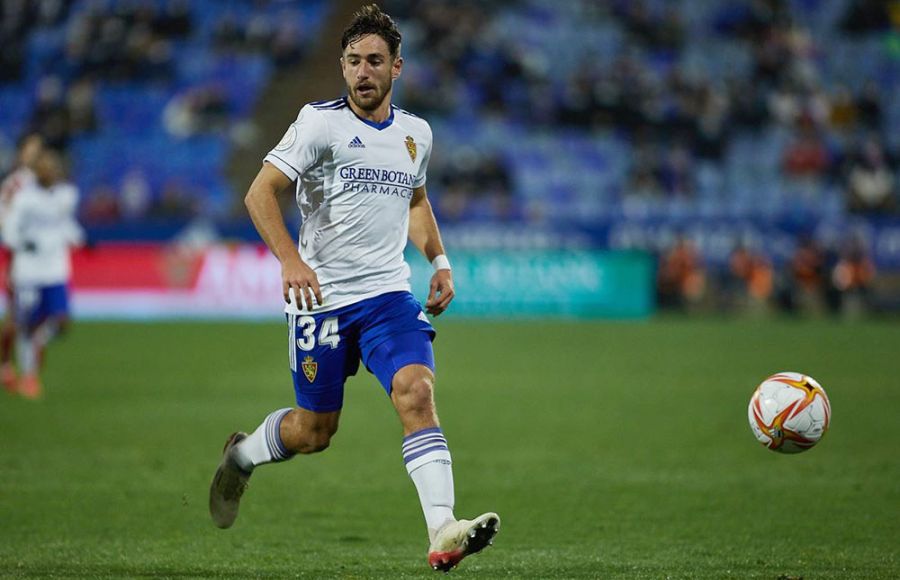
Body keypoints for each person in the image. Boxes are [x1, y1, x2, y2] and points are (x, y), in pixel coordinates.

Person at [208, 4, 499, 573]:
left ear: (397, 68)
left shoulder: (417, 135)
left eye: (374, 61)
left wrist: (438, 260)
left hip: (389, 296)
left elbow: (414, 199)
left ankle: (443, 529)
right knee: (315, 432)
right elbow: (259, 194)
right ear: (342, 67)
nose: (362, 72)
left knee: (416, 393)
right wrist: (291, 261)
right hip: (322, 300)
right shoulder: (319, 123)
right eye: (352, 61)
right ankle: (241, 455)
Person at [1, 148, 83, 398]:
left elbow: (65, 223)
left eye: (53, 168)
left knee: (61, 321)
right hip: (29, 270)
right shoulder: (25, 198)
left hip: (55, 269)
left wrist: (80, 238)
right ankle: (28, 376)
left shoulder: (66, 195)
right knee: (23, 325)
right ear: (38, 172)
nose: (50, 172)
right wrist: (22, 243)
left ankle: (35, 344)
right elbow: (10, 229)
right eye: (45, 168)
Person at [0, 133, 44, 392]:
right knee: (17, 317)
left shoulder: (43, 183)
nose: (35, 154)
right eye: (31, 149)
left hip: (41, 260)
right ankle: (7, 366)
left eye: (39, 149)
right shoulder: (15, 184)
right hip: (19, 258)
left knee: (35, 318)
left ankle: (28, 372)